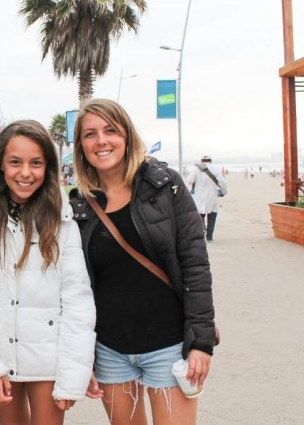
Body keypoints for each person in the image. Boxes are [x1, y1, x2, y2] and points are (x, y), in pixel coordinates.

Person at [69, 99, 216, 425]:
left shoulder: (165, 185)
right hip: (110, 351)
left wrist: (202, 343)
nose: (101, 141)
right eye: (90, 134)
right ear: (80, 146)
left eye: (110, 130)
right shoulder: (79, 205)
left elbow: (196, 265)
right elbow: (74, 287)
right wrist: (82, 357)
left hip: (168, 346)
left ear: (127, 136)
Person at [0, 120, 96, 425]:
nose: (25, 173)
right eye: (15, 162)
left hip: (49, 357)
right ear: (1, 166)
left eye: (36, 163)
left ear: (47, 167)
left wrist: (73, 375)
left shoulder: (63, 219)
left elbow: (77, 299)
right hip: (2, 354)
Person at [186, 155, 229, 243]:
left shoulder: (195, 168)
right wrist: (223, 192)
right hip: (212, 196)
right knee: (212, 216)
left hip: (199, 196)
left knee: (200, 214)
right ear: (210, 161)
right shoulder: (215, 168)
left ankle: (202, 228)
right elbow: (222, 182)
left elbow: (190, 181)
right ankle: (209, 237)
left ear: (201, 161)